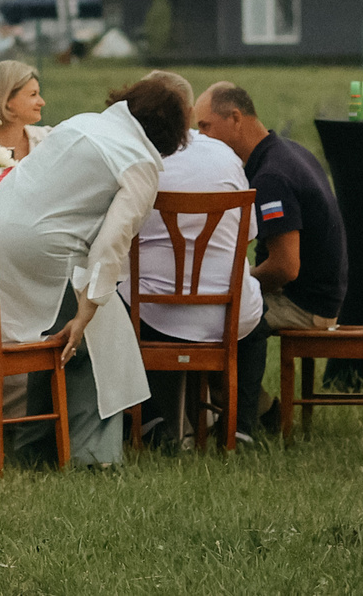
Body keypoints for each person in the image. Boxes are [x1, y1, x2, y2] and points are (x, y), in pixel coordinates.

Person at [0, 80, 189, 466]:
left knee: (56, 335)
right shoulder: (139, 164)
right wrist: (87, 312)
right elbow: (112, 244)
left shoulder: (82, 123)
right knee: (97, 338)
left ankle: (36, 446)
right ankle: (92, 456)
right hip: (42, 251)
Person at [122, 70, 263, 449]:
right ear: (187, 112)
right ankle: (242, 425)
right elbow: (247, 236)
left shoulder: (134, 160)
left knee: (108, 301)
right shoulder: (224, 156)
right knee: (255, 306)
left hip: (154, 315)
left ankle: (150, 419)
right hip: (227, 315)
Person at [195, 80, 347, 429]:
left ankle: (253, 417)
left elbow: (285, 267)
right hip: (324, 291)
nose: (199, 137)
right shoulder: (288, 150)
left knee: (201, 324)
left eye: (205, 126)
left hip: (305, 303)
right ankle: (250, 413)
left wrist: (238, 282)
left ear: (235, 118)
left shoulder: (271, 177)